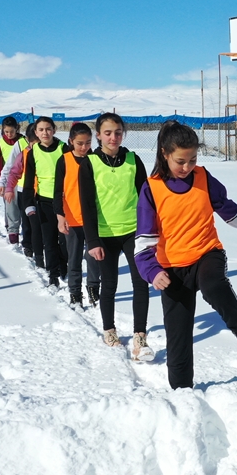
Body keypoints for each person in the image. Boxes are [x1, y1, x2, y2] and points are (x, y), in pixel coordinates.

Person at [135, 120, 237, 389]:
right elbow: (144, 242)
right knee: (178, 338)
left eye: (192, 159)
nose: (187, 167)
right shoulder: (151, 188)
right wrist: (153, 272)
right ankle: (182, 392)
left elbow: (230, 211)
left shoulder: (203, 178)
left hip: (206, 254)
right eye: (180, 161)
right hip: (171, 268)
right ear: (164, 154)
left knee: (214, 286)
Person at [78, 112, 153, 361]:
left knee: (141, 282)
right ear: (98, 135)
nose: (113, 137)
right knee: (109, 284)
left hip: (134, 231)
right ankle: (109, 330)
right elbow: (86, 205)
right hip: (104, 234)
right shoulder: (89, 163)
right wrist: (93, 241)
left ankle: (140, 336)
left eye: (118, 132)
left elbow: (147, 198)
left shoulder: (133, 160)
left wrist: (151, 232)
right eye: (108, 132)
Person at [10, 117, 67, 286]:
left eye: (48, 129)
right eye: (41, 130)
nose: (45, 133)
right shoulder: (33, 152)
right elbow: (28, 181)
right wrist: (28, 204)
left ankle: (64, 266)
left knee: (63, 241)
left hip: (64, 202)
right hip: (43, 201)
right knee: (49, 240)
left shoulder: (64, 149)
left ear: (54, 130)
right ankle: (53, 274)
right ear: (36, 132)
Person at [54, 122, 103, 308]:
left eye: (88, 143)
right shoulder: (64, 161)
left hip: (92, 220)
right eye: (80, 143)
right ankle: (75, 292)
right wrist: (60, 216)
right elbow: (58, 192)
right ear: (71, 142)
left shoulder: (95, 160)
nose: (84, 147)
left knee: (94, 258)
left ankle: (93, 288)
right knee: (74, 259)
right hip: (72, 219)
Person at [2, 122, 39, 259]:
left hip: (42, 192)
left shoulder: (48, 151)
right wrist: (8, 187)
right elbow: (12, 170)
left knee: (40, 222)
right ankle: (28, 245)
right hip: (25, 191)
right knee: (28, 221)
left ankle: (39, 246)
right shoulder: (23, 152)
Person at [0, 115, 29, 246]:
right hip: (8, 178)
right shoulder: (0, 142)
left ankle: (18, 231)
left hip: (22, 178)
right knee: (10, 206)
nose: (9, 134)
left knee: (21, 208)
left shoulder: (23, 141)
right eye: (6, 132)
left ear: (17, 129)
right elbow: (0, 163)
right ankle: (12, 231)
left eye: (12, 131)